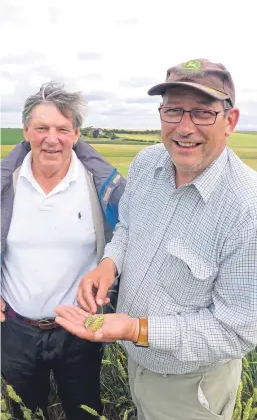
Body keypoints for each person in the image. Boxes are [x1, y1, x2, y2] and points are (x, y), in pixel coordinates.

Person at [55, 59, 257, 420]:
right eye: (173, 110)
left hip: (191, 387)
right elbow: (129, 228)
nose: (184, 127)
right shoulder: (148, 164)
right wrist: (108, 264)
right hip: (139, 362)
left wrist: (136, 328)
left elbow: (237, 331)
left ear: (231, 121)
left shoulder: (247, 210)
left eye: (202, 113)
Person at [0, 81, 126, 420]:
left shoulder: (103, 188)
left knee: (84, 410)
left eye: (62, 129)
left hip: (81, 331)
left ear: (76, 133)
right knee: (23, 411)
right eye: (41, 128)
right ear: (26, 131)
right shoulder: (4, 184)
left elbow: (128, 239)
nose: (51, 138)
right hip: (15, 330)